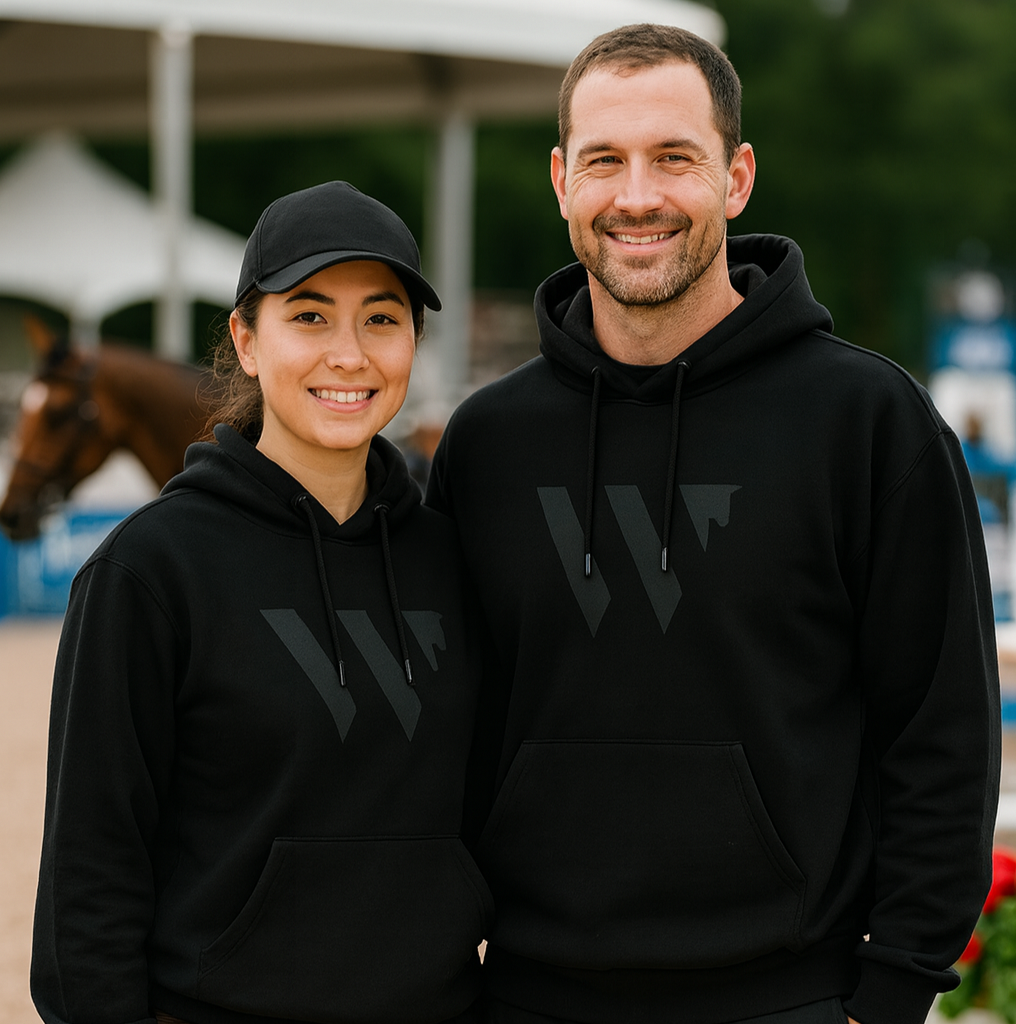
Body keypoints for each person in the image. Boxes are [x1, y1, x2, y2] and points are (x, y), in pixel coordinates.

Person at [425, 22, 1000, 1024]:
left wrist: (894, 989)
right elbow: (439, 732)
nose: (636, 195)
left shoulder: (866, 422)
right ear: (561, 180)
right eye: (604, 160)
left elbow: (941, 729)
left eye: (673, 157)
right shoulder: (486, 444)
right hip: (526, 994)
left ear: (735, 178)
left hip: (791, 997)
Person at [31, 181, 490, 1024]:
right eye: (309, 316)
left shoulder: (451, 560)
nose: (348, 355)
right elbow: (89, 876)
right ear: (246, 340)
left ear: (413, 343)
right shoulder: (149, 570)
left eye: (381, 319)